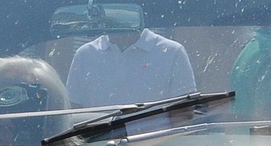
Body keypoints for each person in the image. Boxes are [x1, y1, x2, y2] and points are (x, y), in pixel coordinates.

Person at [64, 19, 196, 109]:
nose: (117, 19)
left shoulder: (172, 52)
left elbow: (183, 114)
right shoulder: (85, 55)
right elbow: (72, 112)